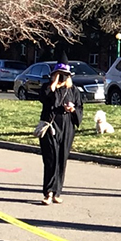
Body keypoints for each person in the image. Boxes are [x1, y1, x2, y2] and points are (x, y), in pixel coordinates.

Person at [38, 53, 83, 205]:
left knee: (62, 159)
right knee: (51, 159)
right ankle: (48, 193)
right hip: (50, 127)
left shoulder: (73, 90)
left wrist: (72, 110)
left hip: (67, 128)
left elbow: (80, 108)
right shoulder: (47, 88)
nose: (62, 78)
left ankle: (57, 191)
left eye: (65, 75)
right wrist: (54, 83)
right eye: (59, 75)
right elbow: (44, 99)